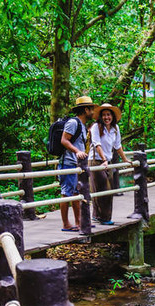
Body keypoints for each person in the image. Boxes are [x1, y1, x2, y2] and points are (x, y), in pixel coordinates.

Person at [59, 95, 97, 231]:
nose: (93, 112)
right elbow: (64, 140)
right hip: (68, 163)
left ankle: (78, 222)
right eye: (91, 109)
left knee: (76, 193)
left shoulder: (82, 125)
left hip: (77, 165)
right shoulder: (73, 123)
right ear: (86, 110)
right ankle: (65, 224)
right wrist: (76, 151)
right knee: (66, 193)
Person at [89, 103, 129, 225]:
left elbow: (118, 146)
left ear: (113, 116)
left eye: (109, 115)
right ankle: (105, 218)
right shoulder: (96, 127)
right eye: (104, 115)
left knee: (105, 188)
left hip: (108, 161)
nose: (107, 117)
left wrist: (125, 159)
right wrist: (104, 159)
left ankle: (97, 215)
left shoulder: (115, 129)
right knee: (103, 189)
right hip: (96, 161)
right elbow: (97, 144)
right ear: (101, 117)